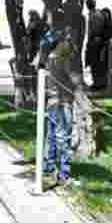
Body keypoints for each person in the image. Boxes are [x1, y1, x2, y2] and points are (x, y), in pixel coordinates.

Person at [42, 29, 75, 186]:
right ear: (59, 44)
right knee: (63, 138)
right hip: (62, 103)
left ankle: (48, 167)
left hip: (52, 102)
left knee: (51, 136)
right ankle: (64, 173)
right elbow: (72, 81)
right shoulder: (60, 61)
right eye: (65, 41)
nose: (68, 44)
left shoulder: (48, 59)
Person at [84, 0, 108, 91]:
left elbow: (93, 30)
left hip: (94, 41)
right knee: (97, 64)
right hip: (98, 41)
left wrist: (90, 40)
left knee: (95, 64)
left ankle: (97, 84)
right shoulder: (99, 13)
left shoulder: (94, 15)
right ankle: (99, 83)